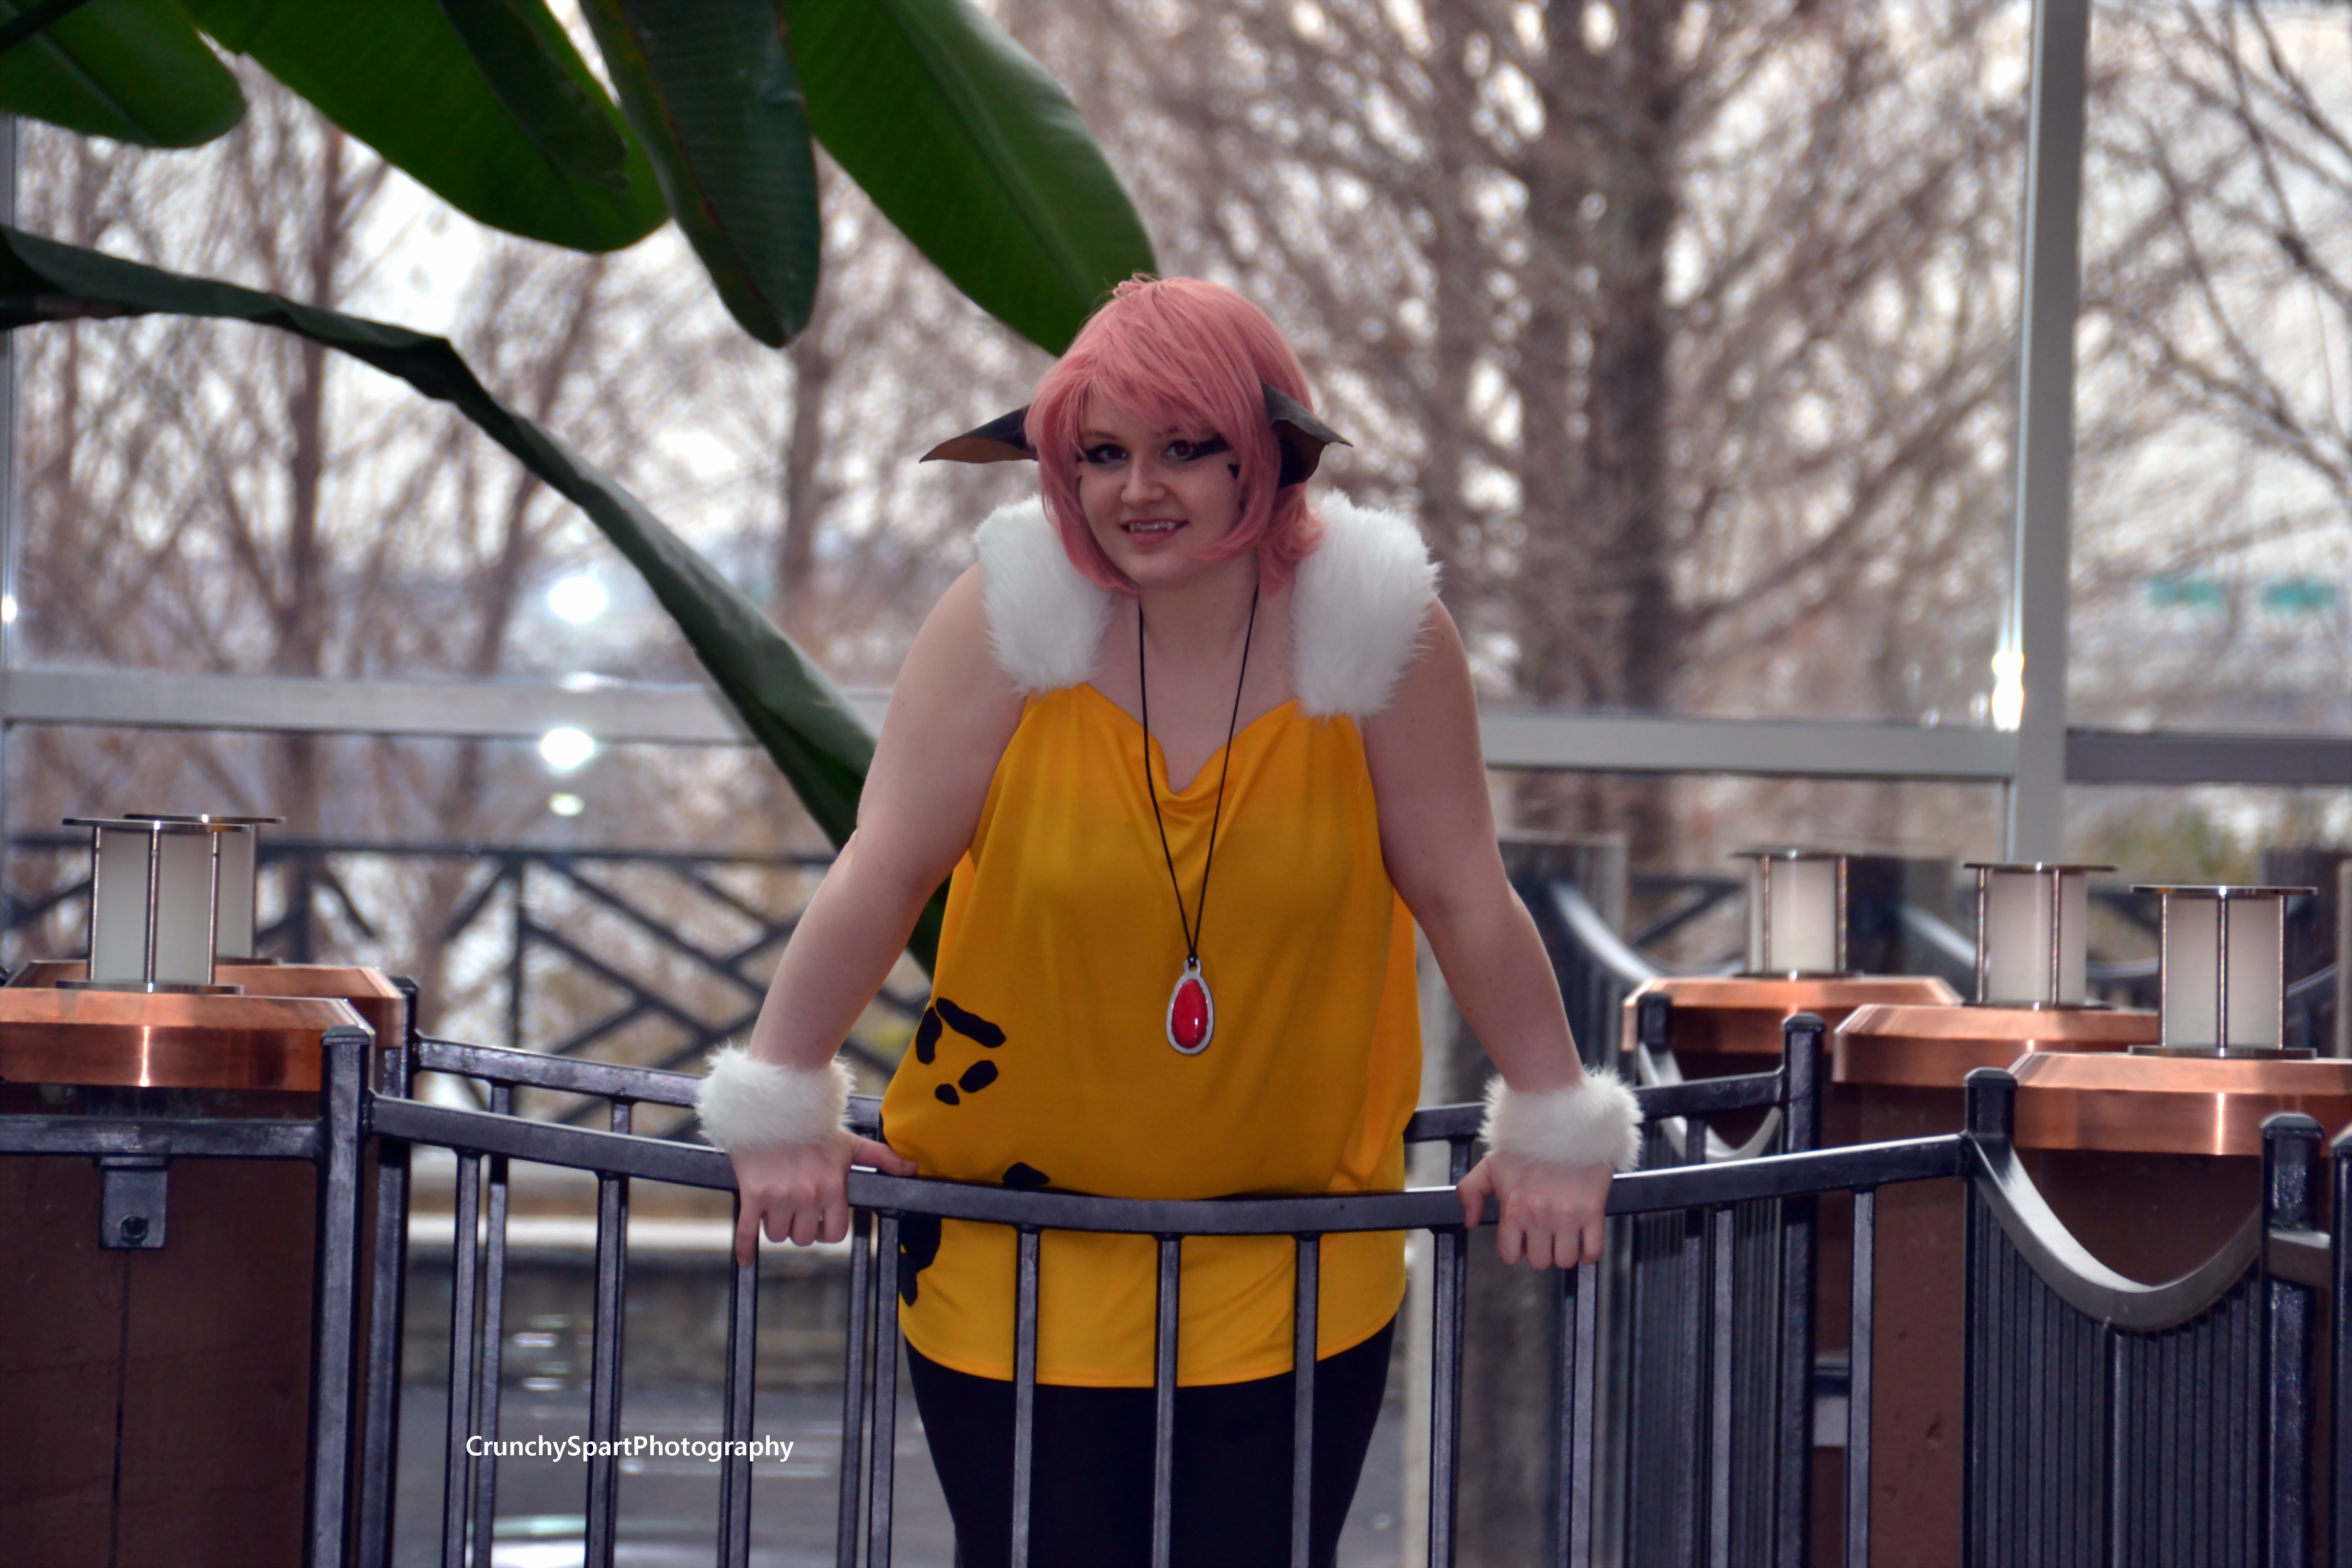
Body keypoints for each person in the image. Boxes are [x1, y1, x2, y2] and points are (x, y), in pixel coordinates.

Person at [695, 276, 1639, 1568]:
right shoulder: (1003, 621)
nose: (1139, 489)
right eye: (1102, 454)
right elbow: (883, 866)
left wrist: (1556, 1122)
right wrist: (780, 1100)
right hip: (1017, 1259)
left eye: (1185, 448)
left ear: (1269, 452)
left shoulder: (1380, 632)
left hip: (1291, 1267)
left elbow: (1466, 891)